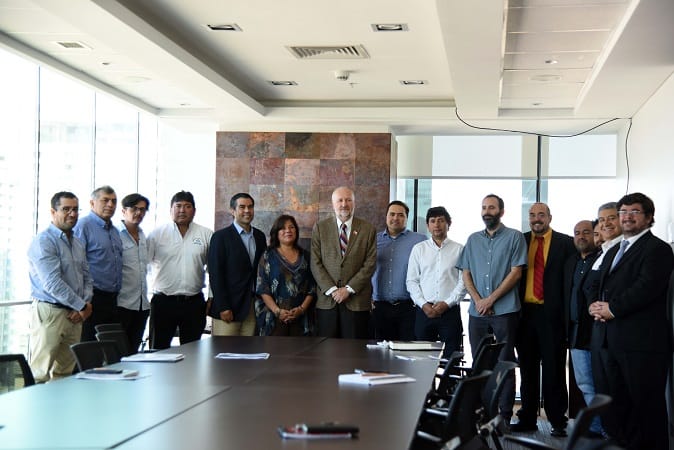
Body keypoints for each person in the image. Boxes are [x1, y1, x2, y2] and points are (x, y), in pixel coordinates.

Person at [588, 193, 674, 449]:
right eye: (623, 212)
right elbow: (597, 283)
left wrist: (612, 309)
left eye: (634, 211)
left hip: (642, 345)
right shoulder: (615, 249)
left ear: (648, 217)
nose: (627, 217)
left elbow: (647, 287)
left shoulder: (658, 249)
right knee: (618, 408)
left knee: (646, 409)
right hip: (610, 341)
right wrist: (594, 306)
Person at [456, 194, 527, 425]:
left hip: (505, 311)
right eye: (484, 207)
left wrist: (490, 300)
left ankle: (504, 416)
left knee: (505, 363)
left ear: (501, 212)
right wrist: (478, 300)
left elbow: (516, 273)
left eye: (492, 207)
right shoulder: (473, 239)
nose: (487, 211)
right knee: (480, 364)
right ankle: (483, 413)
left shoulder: (515, 237)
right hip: (477, 313)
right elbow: (466, 272)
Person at [512, 203, 575, 437]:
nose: (536, 219)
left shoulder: (566, 243)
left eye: (541, 215)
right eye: (532, 215)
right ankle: (527, 417)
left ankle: (557, 420)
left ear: (549, 217)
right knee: (527, 369)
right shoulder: (520, 241)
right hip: (525, 315)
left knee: (554, 369)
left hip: (553, 316)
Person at [27, 191, 93, 382]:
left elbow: (87, 277)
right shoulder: (44, 241)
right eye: (66, 209)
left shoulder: (77, 242)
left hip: (76, 315)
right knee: (39, 373)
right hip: (51, 312)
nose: (72, 214)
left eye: (75, 209)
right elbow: (52, 283)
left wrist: (84, 305)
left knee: (65, 374)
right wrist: (82, 306)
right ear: (53, 212)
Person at [147, 191, 212, 349]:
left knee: (192, 352)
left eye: (187, 206)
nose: (182, 210)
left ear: (194, 211)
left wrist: (211, 297)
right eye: (178, 206)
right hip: (163, 302)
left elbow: (214, 270)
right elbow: (143, 266)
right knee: (158, 350)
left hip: (194, 303)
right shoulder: (157, 234)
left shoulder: (206, 234)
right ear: (171, 210)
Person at [310, 186, 376, 338]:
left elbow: (370, 263)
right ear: (333, 204)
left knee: (354, 349)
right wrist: (333, 290)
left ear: (354, 203)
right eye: (340, 200)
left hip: (357, 302)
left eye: (348, 200)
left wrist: (348, 289)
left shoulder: (368, 229)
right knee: (327, 348)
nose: (344, 204)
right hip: (328, 301)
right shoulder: (320, 228)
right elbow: (315, 262)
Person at [406, 206, 465, 357]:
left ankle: (449, 376)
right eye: (432, 221)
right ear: (428, 226)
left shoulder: (459, 249)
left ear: (448, 224)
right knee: (422, 359)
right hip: (424, 311)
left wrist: (447, 303)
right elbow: (411, 281)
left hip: (450, 312)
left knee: (451, 358)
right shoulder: (418, 249)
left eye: (441, 221)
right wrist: (423, 304)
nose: (437, 225)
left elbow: (463, 282)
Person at [563, 220, 603, 437]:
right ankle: (596, 428)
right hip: (576, 333)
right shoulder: (571, 262)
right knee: (585, 383)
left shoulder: (603, 259)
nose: (581, 236)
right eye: (577, 233)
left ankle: (606, 430)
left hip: (598, 332)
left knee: (602, 383)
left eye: (586, 232)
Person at [208, 193, 267, 336]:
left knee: (249, 349)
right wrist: (223, 307)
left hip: (252, 307)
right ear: (232, 211)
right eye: (242, 207)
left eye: (250, 207)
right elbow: (215, 274)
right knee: (225, 349)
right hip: (228, 308)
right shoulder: (220, 237)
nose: (247, 210)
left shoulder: (259, 236)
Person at [73, 185, 123, 341]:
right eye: (105, 200)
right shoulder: (83, 226)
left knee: (109, 348)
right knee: (89, 347)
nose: (110, 205)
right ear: (92, 203)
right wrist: (80, 302)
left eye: (114, 201)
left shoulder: (114, 231)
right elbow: (76, 264)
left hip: (112, 299)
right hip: (92, 298)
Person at [371, 201, 425, 340]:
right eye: (392, 214)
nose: (396, 218)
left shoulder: (419, 241)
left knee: (407, 349)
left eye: (401, 215)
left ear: (407, 218)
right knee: (381, 350)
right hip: (379, 307)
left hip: (409, 307)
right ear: (386, 216)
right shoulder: (373, 240)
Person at [255, 214, 316, 336]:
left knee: (302, 349)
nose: (288, 230)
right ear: (276, 233)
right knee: (276, 349)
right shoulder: (268, 256)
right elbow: (262, 288)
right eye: (283, 228)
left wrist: (301, 309)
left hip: (301, 318)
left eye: (291, 227)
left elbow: (312, 287)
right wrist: (277, 311)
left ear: (296, 231)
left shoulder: (306, 256)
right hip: (274, 318)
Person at [116, 193, 151, 354]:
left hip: (141, 305)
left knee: (133, 353)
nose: (139, 213)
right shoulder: (116, 234)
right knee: (118, 354)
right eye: (134, 209)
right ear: (124, 211)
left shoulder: (143, 235)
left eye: (142, 210)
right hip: (122, 304)